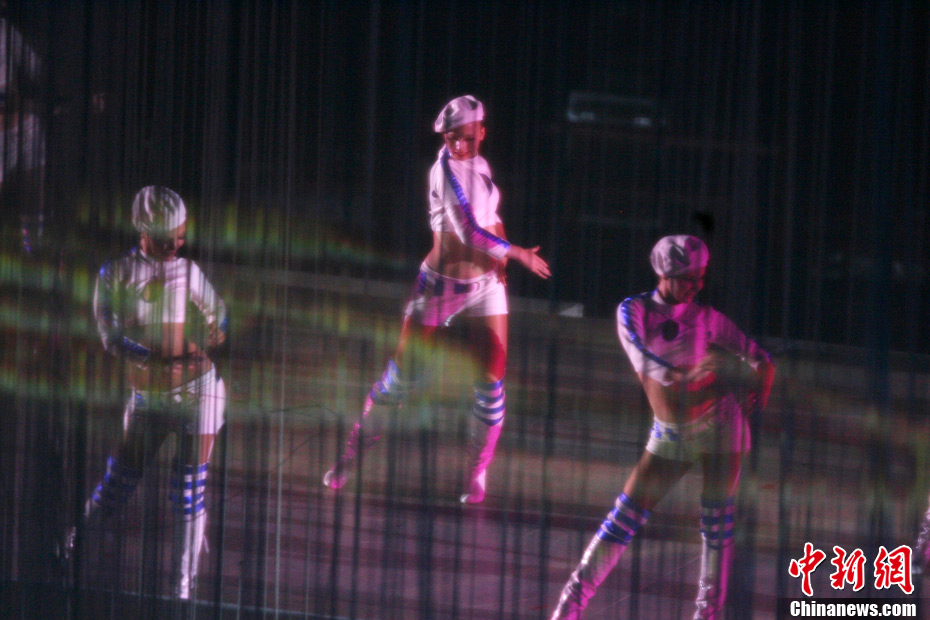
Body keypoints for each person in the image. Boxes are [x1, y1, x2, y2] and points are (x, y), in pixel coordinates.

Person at [323, 95, 550, 503]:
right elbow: (469, 232)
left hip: (486, 288)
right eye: (451, 138)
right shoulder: (443, 171)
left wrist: (501, 257)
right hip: (442, 286)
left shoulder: (481, 165)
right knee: (400, 380)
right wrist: (517, 253)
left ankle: (476, 474)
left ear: (482, 131)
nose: (459, 145)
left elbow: (491, 218)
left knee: (492, 384)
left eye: (467, 137)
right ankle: (352, 457)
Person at [550, 235, 775, 620]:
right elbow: (641, 355)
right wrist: (686, 373)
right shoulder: (634, 310)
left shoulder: (707, 317)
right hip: (670, 434)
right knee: (622, 519)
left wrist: (764, 376)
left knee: (716, 526)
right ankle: (569, 606)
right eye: (688, 278)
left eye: (700, 278)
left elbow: (759, 356)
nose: (696, 286)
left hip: (722, 425)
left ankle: (707, 614)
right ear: (663, 273)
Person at [69, 186, 228, 600]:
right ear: (143, 230)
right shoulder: (115, 273)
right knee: (117, 484)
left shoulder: (189, 271)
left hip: (200, 392)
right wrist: (150, 358)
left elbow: (219, 313)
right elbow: (110, 338)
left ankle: (182, 588)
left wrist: (217, 329)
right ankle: (74, 544)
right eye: (166, 238)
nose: (176, 245)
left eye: (180, 236)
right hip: (148, 400)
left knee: (188, 491)